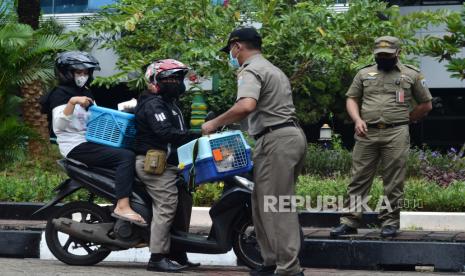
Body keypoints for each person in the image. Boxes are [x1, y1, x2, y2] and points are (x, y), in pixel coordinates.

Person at [202, 27, 307, 276]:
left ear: (237, 46)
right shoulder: (272, 69)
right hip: (283, 137)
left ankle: (289, 269)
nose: (231, 55)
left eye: (230, 50)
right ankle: (271, 263)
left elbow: (246, 105)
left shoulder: (251, 70)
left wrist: (214, 123)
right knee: (261, 203)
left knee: (275, 205)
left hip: (276, 140)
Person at [330, 36, 433, 238]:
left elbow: (426, 104)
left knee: (394, 179)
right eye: (380, 55)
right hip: (366, 131)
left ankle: (390, 222)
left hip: (396, 132)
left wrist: (407, 120)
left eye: (387, 55)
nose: (383, 58)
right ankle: (350, 221)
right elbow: (352, 98)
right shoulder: (363, 73)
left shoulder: (411, 74)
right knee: (359, 177)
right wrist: (357, 119)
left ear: (398, 53)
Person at [43, 51, 146, 226]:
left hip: (90, 140)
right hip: (76, 146)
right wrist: (72, 102)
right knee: (125, 157)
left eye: (85, 73)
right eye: (78, 72)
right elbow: (58, 126)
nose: (82, 76)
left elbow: (96, 118)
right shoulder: (60, 94)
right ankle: (122, 205)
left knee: (133, 151)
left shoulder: (86, 92)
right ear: (67, 73)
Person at [134, 59, 200, 272]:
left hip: (171, 165)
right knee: (167, 203)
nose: (175, 83)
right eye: (169, 79)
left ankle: (177, 252)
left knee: (184, 201)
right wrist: (197, 133)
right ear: (154, 81)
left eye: (178, 78)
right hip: (153, 165)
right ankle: (157, 257)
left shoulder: (170, 103)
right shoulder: (153, 103)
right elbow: (164, 133)